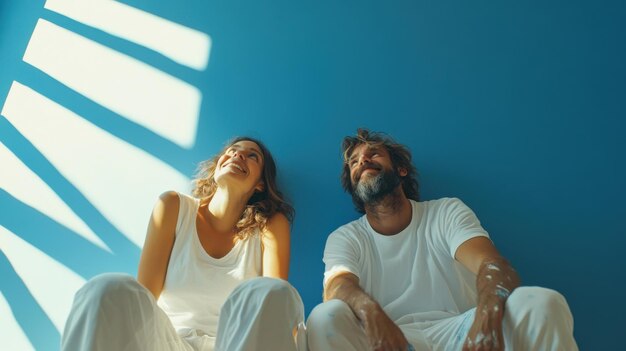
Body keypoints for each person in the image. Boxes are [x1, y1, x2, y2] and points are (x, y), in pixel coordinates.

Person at [306, 128, 578, 351]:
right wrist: (371, 311)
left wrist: (486, 320)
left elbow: (491, 264)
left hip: (460, 332)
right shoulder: (346, 237)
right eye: (354, 161)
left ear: (401, 170)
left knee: (540, 301)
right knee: (323, 318)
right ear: (353, 185)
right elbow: (337, 285)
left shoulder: (446, 211)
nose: (362, 160)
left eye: (373, 154)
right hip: (386, 341)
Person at [62, 137, 305, 351]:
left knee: (272, 292)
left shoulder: (269, 225)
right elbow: (143, 300)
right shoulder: (173, 207)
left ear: (260, 184)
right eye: (232, 150)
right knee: (108, 287)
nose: (238, 154)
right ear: (217, 166)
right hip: (169, 342)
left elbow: (275, 307)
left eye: (252, 155)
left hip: (234, 344)